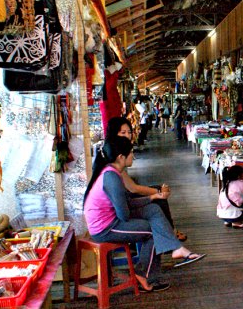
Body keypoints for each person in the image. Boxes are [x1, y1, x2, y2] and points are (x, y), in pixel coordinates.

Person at [83, 137, 205, 292]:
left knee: (153, 209)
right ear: (121, 157)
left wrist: (153, 197)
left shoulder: (112, 172)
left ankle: (176, 249)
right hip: (105, 228)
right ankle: (144, 275)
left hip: (113, 220)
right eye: (131, 153)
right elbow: (124, 214)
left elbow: (126, 206)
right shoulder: (112, 177)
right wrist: (143, 209)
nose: (133, 156)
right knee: (151, 230)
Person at [107, 117, 187, 242]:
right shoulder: (114, 159)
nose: (127, 136)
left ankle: (169, 234)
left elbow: (131, 186)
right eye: (123, 133)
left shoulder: (115, 154)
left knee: (157, 197)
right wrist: (158, 193)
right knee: (158, 202)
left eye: (129, 132)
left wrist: (157, 192)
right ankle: (169, 234)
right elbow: (132, 188)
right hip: (117, 210)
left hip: (123, 202)